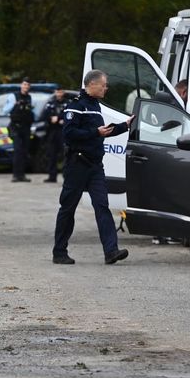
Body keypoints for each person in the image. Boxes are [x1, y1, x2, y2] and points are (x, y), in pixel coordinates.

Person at [52, 69, 134, 265]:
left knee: (102, 205)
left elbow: (101, 133)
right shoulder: (76, 106)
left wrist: (124, 125)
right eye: (104, 84)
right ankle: (59, 251)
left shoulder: (96, 106)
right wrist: (94, 132)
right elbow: (69, 134)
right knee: (68, 208)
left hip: (95, 166)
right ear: (92, 84)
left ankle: (111, 251)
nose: (106, 88)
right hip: (77, 164)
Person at [3, 78, 34, 182]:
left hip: (26, 127)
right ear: (21, 85)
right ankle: (15, 175)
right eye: (24, 84)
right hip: (15, 127)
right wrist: (14, 104)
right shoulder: (13, 96)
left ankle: (22, 175)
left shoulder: (29, 97)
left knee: (24, 152)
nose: (26, 87)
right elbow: (5, 110)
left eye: (28, 85)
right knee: (17, 151)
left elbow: (31, 111)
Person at [42, 88, 69, 183]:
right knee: (52, 154)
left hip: (63, 132)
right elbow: (44, 115)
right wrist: (50, 118)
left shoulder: (68, 103)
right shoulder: (51, 103)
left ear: (63, 92)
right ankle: (52, 176)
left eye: (61, 91)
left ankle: (66, 176)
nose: (59, 94)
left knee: (66, 154)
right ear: (55, 92)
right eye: (57, 91)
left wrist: (58, 118)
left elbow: (69, 115)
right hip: (52, 132)